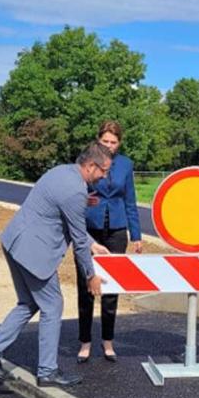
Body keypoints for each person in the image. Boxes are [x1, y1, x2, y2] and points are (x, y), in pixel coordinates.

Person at [0, 143, 113, 388]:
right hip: (34, 253)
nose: (104, 176)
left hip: (14, 242)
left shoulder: (61, 172)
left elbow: (63, 217)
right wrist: (90, 275)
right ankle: (47, 371)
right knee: (52, 305)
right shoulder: (75, 192)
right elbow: (79, 240)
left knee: (28, 303)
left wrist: (92, 244)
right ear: (91, 166)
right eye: (103, 171)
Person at [75, 120, 143, 363]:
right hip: (89, 228)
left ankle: (108, 341)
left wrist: (136, 235)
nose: (110, 145)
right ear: (98, 140)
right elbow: (77, 190)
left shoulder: (125, 165)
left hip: (116, 229)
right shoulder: (87, 161)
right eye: (105, 141)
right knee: (86, 286)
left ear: (119, 143)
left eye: (113, 142)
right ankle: (85, 341)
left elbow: (130, 200)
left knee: (111, 289)